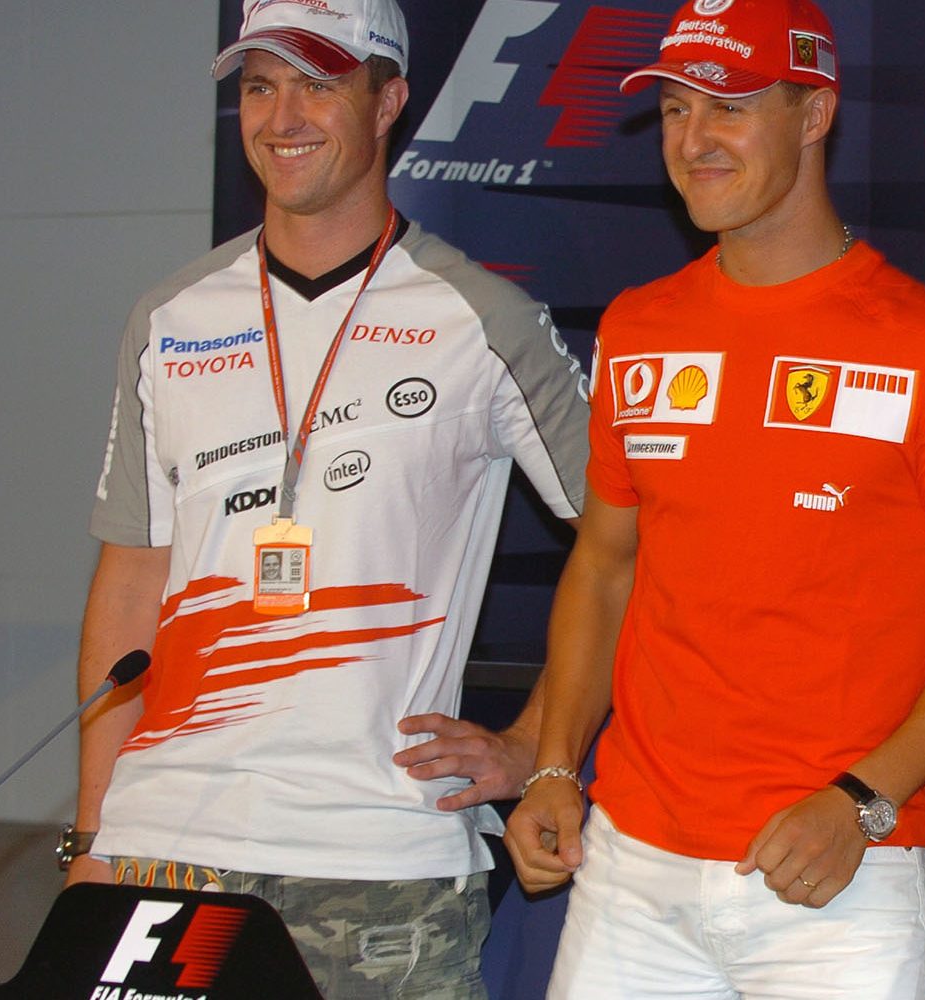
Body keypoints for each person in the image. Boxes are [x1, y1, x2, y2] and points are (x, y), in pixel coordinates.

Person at [68, 1, 589, 995]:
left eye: (318, 82)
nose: (282, 116)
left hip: (377, 864)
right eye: (260, 86)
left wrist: (537, 744)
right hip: (163, 849)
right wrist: (92, 835)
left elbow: (628, 550)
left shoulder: (481, 318)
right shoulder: (170, 315)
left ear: (389, 99)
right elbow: (131, 583)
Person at [500, 0, 925, 995]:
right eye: (677, 110)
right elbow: (603, 565)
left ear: (814, 113)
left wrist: (865, 798)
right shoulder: (638, 328)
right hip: (630, 867)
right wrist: (555, 762)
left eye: (727, 105)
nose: (693, 140)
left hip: (835, 877)